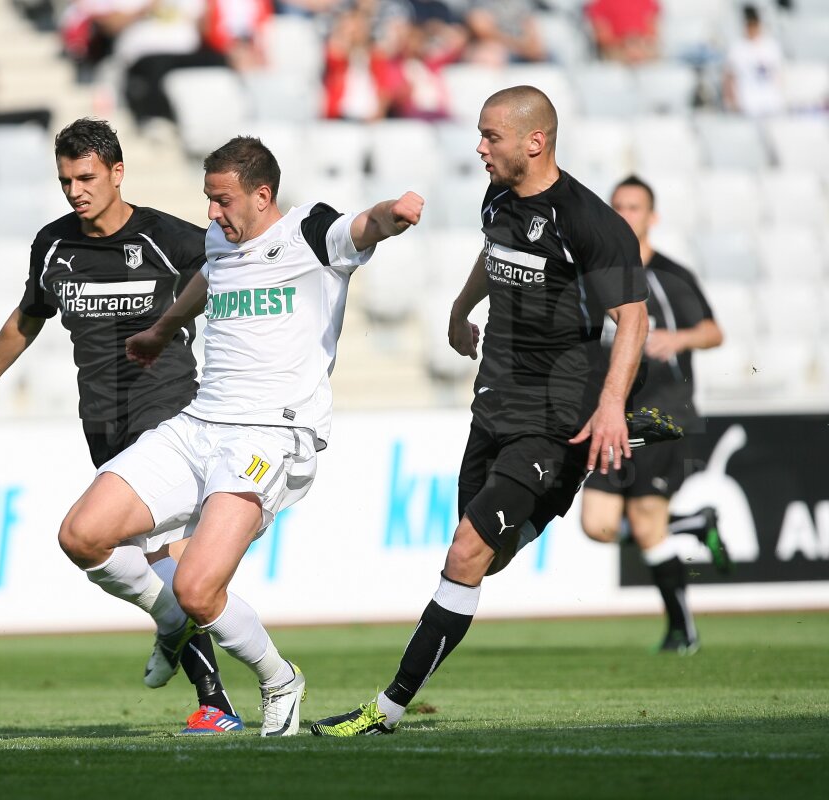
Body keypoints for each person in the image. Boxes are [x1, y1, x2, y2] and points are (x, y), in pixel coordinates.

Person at [312, 85, 650, 736]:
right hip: (491, 400)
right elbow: (494, 252)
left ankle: (385, 709)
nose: (479, 146)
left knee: (464, 553)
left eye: (490, 135)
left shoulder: (589, 222)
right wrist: (461, 306)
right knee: (488, 559)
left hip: (552, 414)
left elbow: (631, 320)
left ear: (535, 141)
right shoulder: (497, 195)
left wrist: (611, 406)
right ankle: (552, 499)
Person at [57, 136, 423, 736]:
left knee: (203, 588)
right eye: (207, 199)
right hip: (199, 423)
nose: (211, 213)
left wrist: (394, 213)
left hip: (268, 436)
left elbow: (365, 225)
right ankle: (168, 614)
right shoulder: (220, 239)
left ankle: (279, 677)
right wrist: (164, 328)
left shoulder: (311, 232)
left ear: (263, 194)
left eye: (222, 200)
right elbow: (211, 278)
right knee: (81, 535)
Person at [0, 118, 240, 734]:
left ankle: (216, 703)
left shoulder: (166, 237)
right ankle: (172, 629)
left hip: (171, 414)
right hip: (101, 420)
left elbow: (235, 264)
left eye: (86, 177)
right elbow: (25, 320)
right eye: (65, 180)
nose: (75, 191)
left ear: (117, 173)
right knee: (134, 561)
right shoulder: (54, 244)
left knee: (172, 559)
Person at [580, 175, 729, 656]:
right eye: (617, 206)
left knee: (645, 524)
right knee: (597, 525)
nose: (625, 214)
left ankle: (682, 630)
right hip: (612, 418)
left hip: (662, 419)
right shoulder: (595, 276)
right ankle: (692, 524)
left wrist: (678, 339)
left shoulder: (670, 276)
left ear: (652, 216)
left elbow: (713, 331)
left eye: (635, 207)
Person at [722, 4, 784, 118]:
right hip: (746, 103)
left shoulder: (771, 46)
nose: (752, 29)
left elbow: (778, 75)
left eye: (755, 24)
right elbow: (729, 77)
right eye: (749, 25)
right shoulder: (737, 48)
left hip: (770, 103)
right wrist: (732, 102)